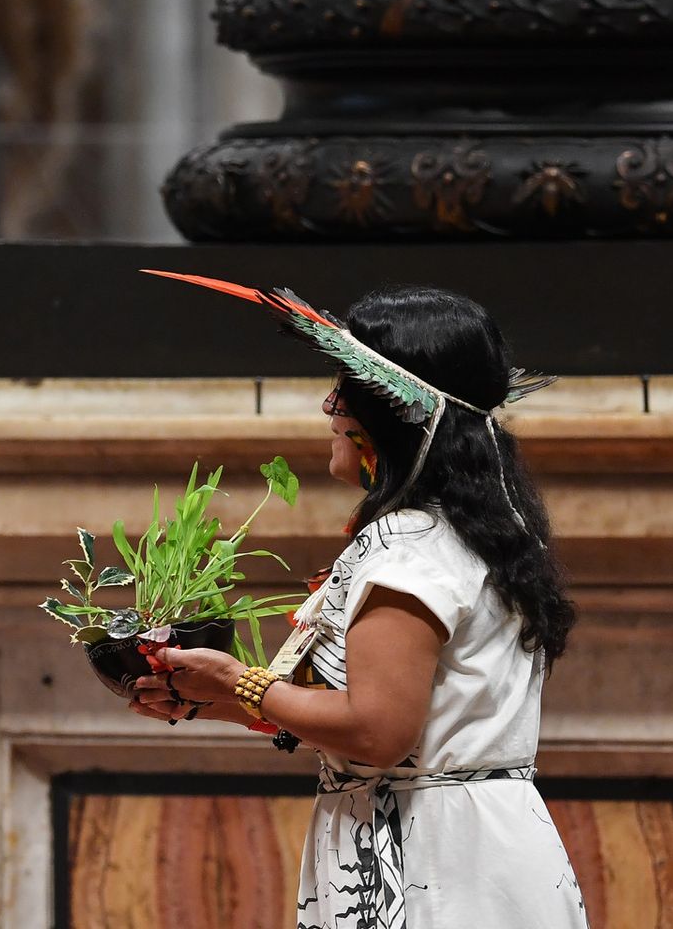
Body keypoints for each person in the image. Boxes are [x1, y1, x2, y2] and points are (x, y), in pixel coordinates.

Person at [132, 276, 586, 928]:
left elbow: (378, 731)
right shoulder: (460, 533)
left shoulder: (411, 552)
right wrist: (214, 698)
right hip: (464, 845)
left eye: (347, 388)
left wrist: (237, 679)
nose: (328, 405)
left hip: (436, 863)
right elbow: (387, 724)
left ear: (396, 413)